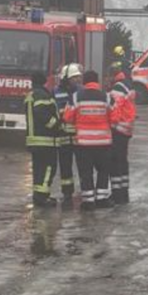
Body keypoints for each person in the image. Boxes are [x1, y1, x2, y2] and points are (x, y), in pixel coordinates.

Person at [62, 69, 118, 210]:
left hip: (83, 143)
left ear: (84, 82)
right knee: (103, 171)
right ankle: (102, 199)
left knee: (85, 172)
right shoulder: (106, 97)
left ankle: (88, 202)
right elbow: (115, 118)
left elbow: (67, 118)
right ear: (96, 81)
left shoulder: (75, 97)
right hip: (103, 142)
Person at [25, 71, 61, 208]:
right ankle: (42, 198)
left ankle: (38, 196)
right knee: (48, 169)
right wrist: (57, 125)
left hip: (34, 141)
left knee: (38, 170)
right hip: (45, 140)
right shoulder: (42, 95)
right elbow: (42, 113)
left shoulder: (31, 95)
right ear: (44, 81)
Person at [54, 64, 82, 204]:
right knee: (65, 167)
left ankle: (85, 191)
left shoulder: (81, 91)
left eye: (78, 77)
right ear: (66, 78)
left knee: (83, 166)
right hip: (64, 135)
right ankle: (67, 194)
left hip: (79, 137)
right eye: (74, 77)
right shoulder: (56, 92)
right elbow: (56, 112)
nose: (77, 80)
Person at [109, 72, 136, 204]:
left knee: (115, 163)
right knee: (123, 162)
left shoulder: (118, 88)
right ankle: (124, 193)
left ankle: (117, 195)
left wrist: (111, 124)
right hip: (126, 129)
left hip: (118, 129)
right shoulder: (128, 87)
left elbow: (115, 109)